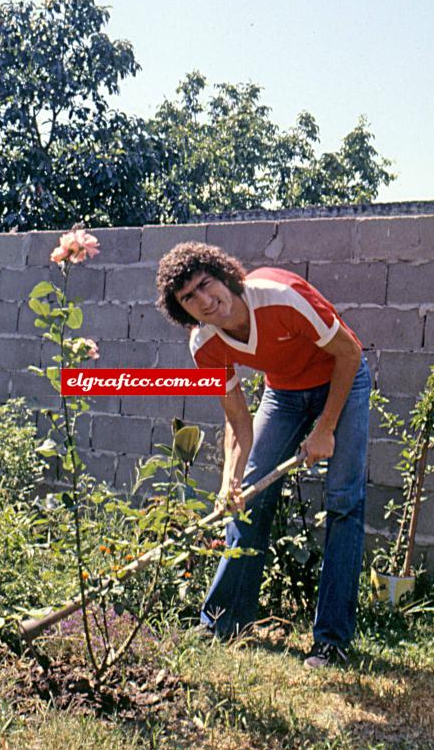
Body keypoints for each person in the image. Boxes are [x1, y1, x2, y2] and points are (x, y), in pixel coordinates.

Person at [156, 242, 371, 668]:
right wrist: (228, 483)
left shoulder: (279, 296)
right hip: (285, 394)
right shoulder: (204, 345)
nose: (204, 301)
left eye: (206, 285)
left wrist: (325, 428)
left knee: (345, 501)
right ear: (182, 310)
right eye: (189, 299)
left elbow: (349, 352)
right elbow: (238, 422)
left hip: (341, 379)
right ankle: (222, 622)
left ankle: (332, 641)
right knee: (248, 501)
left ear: (224, 275)